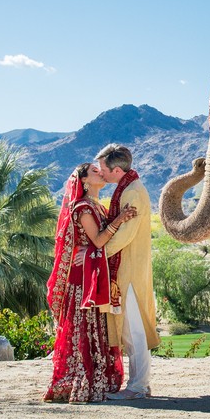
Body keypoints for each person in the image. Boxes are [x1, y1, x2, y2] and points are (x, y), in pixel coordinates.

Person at [44, 163, 137, 403]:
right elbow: (97, 241)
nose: (101, 173)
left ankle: (100, 378)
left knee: (98, 326)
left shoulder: (97, 206)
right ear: (84, 180)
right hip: (82, 278)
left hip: (91, 273)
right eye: (95, 171)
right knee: (85, 326)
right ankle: (81, 380)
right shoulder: (84, 207)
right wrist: (120, 219)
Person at [95, 143, 159, 400]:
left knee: (133, 330)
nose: (101, 173)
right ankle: (139, 384)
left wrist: (97, 253)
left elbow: (125, 234)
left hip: (129, 269)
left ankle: (138, 387)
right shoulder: (129, 188)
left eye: (103, 169)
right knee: (131, 329)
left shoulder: (132, 192)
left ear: (117, 170)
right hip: (128, 267)